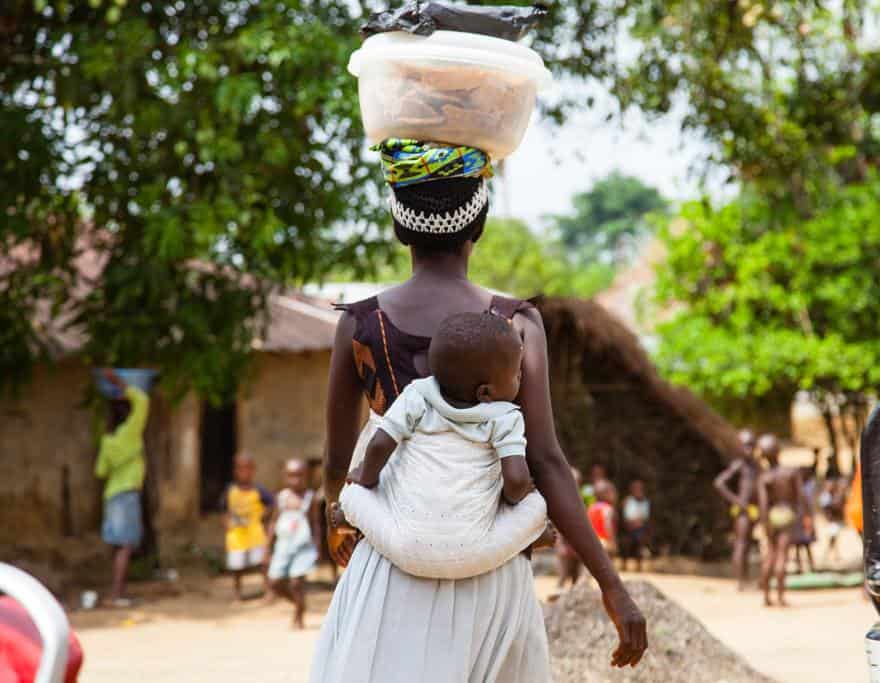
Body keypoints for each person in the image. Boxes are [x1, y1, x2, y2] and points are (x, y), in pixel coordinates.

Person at [312, 139, 646, 683]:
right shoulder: (516, 324)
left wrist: (336, 522)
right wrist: (613, 586)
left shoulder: (360, 325)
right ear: (479, 224)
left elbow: (335, 462)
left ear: (400, 228)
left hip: (390, 571)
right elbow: (547, 462)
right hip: (492, 577)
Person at [341, 311, 549, 579]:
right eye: (517, 375)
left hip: (403, 547)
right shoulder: (505, 416)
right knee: (537, 507)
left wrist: (365, 477)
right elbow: (517, 480)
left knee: (351, 493)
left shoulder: (416, 394)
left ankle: (348, 516)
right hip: (475, 554)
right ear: (485, 392)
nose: (521, 379)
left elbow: (380, 444)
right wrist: (509, 503)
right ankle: (529, 536)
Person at [94, 368, 149, 607]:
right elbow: (143, 401)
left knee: (118, 545)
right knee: (126, 545)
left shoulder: (108, 441)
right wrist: (120, 383)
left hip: (112, 494)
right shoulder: (131, 433)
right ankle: (118, 593)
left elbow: (100, 472)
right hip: (127, 494)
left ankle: (116, 591)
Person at [267, 459, 320, 629]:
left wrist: (317, 545)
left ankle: (298, 616)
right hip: (283, 545)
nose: (295, 480)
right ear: (285, 477)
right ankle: (299, 604)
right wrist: (267, 547)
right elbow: (274, 522)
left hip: (303, 546)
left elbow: (315, 523)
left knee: (297, 583)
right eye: (291, 476)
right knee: (275, 582)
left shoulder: (311, 498)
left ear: (307, 476)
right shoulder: (281, 497)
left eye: (300, 476)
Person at [757, 433, 806, 607]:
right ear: (778, 451)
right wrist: (806, 519)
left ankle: (766, 597)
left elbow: (763, 504)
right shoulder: (790, 473)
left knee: (769, 555)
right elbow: (801, 498)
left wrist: (765, 523)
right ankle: (780, 597)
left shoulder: (764, 477)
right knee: (782, 558)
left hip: (772, 516)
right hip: (787, 515)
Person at [220, 454, 274, 603]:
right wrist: (226, 523)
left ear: (253, 470)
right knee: (237, 568)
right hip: (236, 536)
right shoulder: (230, 490)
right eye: (240, 468)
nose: (244, 472)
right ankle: (237, 594)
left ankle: (268, 591)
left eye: (247, 468)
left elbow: (271, 504)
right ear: (235, 471)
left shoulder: (259, 490)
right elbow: (223, 510)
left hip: (255, 534)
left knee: (263, 565)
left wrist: (265, 515)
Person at [714, 427, 761, 590]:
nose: (749, 449)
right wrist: (738, 501)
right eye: (745, 446)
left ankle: (746, 578)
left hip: (753, 510)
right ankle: (741, 581)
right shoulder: (739, 465)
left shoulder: (755, 465)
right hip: (742, 510)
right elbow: (720, 483)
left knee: (748, 544)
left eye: (751, 445)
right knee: (741, 544)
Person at [556, 467, 584, 589]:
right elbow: (557, 524)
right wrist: (560, 545)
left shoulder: (581, 498)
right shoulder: (560, 497)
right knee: (563, 576)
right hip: (564, 542)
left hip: (577, 543)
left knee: (576, 577)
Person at [620, 480, 652, 572]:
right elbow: (625, 516)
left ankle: (639, 566)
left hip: (640, 527)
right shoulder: (627, 501)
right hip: (628, 527)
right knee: (626, 543)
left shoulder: (645, 501)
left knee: (641, 542)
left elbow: (646, 517)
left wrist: (640, 523)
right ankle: (624, 565)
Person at [588, 480, 618, 560]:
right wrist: (612, 541)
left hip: (592, 541)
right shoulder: (608, 509)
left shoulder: (591, 507)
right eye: (613, 492)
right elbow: (607, 525)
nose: (615, 495)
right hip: (604, 542)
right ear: (605, 494)